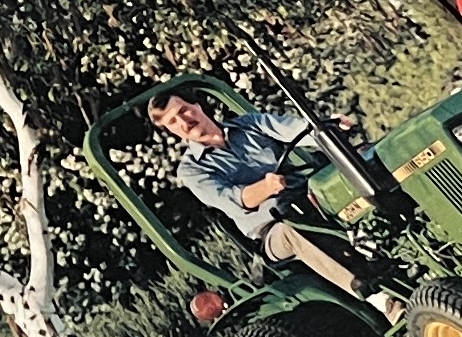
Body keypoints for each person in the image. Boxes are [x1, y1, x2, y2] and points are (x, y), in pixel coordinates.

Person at [146, 85, 398, 312]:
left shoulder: (249, 124)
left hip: (307, 197)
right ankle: (378, 298)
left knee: (363, 167)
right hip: (271, 229)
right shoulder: (192, 170)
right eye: (173, 122)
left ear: (197, 105)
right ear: (170, 131)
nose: (184, 121)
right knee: (291, 231)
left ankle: (406, 245)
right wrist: (265, 187)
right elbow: (233, 200)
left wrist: (325, 129)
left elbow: (293, 129)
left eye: (184, 110)